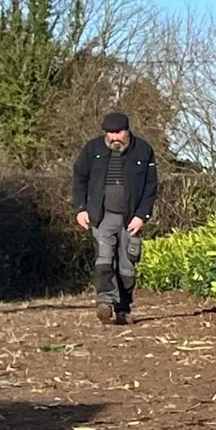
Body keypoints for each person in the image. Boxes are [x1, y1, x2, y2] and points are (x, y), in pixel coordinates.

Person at [72, 112, 158, 325]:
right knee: (104, 260)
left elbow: (151, 188)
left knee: (127, 267)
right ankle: (104, 302)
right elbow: (79, 179)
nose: (114, 137)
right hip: (102, 216)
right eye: (110, 133)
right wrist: (81, 208)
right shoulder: (92, 150)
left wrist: (142, 216)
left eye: (118, 132)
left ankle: (123, 308)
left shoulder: (144, 150)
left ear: (127, 131)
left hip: (131, 219)